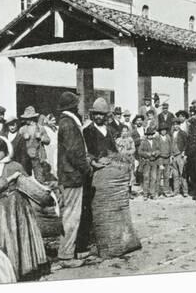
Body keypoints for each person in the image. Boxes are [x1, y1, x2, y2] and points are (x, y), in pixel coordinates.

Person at [0, 136, 49, 280]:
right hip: (2, 206)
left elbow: (27, 182)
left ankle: (26, 269)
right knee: (7, 236)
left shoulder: (16, 165)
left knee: (21, 234)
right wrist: (11, 178)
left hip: (19, 205)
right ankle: (11, 270)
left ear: (5, 151)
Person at [56, 92, 92, 267]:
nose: (78, 108)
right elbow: (74, 152)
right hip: (72, 176)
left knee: (72, 215)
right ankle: (66, 256)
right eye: (76, 105)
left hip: (69, 175)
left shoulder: (66, 122)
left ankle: (72, 251)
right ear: (72, 107)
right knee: (71, 216)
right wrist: (87, 168)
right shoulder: (69, 124)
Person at [81, 97, 118, 254]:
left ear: (106, 116)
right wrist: (95, 161)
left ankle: (106, 237)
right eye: (96, 114)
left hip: (107, 173)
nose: (98, 117)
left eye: (101, 114)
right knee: (89, 207)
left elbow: (114, 150)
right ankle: (87, 241)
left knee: (107, 206)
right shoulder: (87, 131)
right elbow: (85, 152)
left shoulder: (109, 131)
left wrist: (112, 159)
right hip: (93, 172)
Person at [19, 106, 51, 183]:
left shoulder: (40, 128)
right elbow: (18, 143)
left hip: (37, 156)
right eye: (26, 118)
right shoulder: (22, 129)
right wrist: (23, 138)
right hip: (26, 157)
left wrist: (41, 137)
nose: (27, 120)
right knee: (26, 177)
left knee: (40, 178)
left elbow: (48, 140)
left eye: (28, 118)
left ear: (32, 118)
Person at [138, 126, 160, 200]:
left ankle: (152, 193)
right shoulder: (143, 142)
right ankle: (145, 194)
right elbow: (140, 151)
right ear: (147, 135)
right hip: (146, 162)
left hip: (154, 162)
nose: (150, 136)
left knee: (153, 178)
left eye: (151, 134)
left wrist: (155, 153)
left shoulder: (155, 141)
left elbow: (159, 150)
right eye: (149, 134)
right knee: (146, 178)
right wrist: (147, 154)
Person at [116, 125, 136, 197]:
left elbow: (133, 149)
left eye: (126, 131)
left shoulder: (130, 140)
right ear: (120, 132)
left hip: (129, 159)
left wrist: (128, 152)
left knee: (130, 175)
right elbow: (116, 150)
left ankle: (129, 192)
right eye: (123, 131)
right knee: (121, 175)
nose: (124, 133)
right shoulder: (118, 140)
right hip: (121, 160)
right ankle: (122, 192)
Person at [171, 118, 188, 197]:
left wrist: (184, 152)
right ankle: (176, 190)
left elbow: (186, 144)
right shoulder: (171, 134)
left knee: (183, 173)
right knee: (175, 174)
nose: (175, 126)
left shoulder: (183, 133)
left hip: (180, 155)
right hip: (173, 156)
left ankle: (185, 191)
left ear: (179, 125)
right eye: (174, 125)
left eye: (177, 124)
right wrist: (171, 155)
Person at [157, 122, 173, 197]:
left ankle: (166, 190)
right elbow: (156, 148)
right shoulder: (157, 138)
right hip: (160, 158)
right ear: (160, 131)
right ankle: (158, 191)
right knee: (159, 175)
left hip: (167, 158)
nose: (163, 131)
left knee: (166, 175)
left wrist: (171, 155)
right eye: (162, 130)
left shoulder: (168, 137)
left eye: (165, 130)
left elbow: (171, 146)